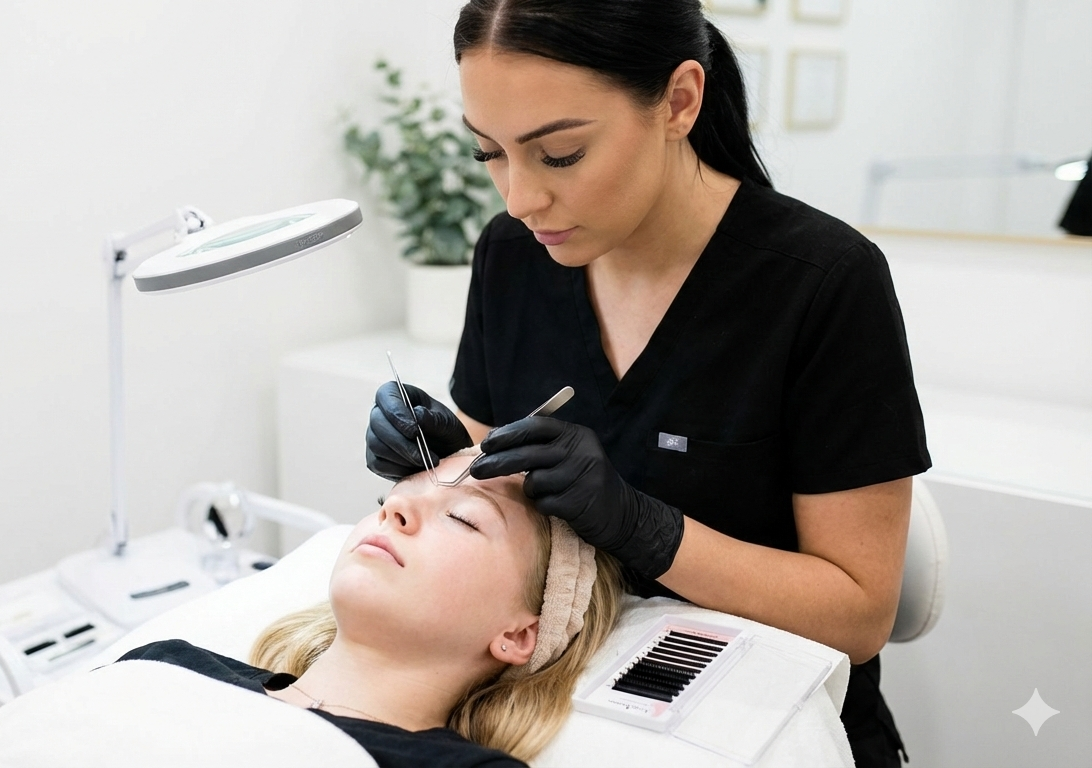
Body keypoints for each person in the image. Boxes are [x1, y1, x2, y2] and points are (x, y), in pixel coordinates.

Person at [364, 2, 930, 765]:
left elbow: (858, 616)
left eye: (560, 154)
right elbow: (494, 472)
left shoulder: (821, 283)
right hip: (556, 702)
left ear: (679, 102)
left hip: (761, 721)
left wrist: (645, 528)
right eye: (488, 152)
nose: (519, 198)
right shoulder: (513, 254)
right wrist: (440, 456)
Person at [123, 450, 624, 767]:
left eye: (462, 517)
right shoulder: (166, 665)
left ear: (517, 635)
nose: (393, 510)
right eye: (391, 496)